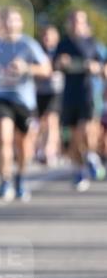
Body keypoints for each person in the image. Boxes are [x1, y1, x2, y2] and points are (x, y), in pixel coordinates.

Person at [0, 7, 51, 202]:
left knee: (23, 144)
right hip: (1, 97)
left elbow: (47, 69)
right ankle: (5, 180)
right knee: (3, 137)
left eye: (14, 20)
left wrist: (26, 68)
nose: (10, 24)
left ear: (20, 23)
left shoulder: (28, 44)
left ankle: (20, 178)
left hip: (24, 100)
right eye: (7, 20)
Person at [54, 10, 107, 190]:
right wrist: (60, 63)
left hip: (88, 93)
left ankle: (91, 156)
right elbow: (53, 66)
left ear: (85, 24)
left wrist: (96, 68)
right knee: (73, 136)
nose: (76, 25)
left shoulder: (93, 44)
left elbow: (104, 68)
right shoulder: (63, 44)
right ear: (69, 24)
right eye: (73, 21)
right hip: (69, 95)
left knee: (86, 131)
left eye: (80, 21)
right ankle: (79, 170)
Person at [34, 24, 63, 167]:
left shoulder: (61, 51)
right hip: (40, 91)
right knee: (42, 122)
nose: (47, 38)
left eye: (50, 35)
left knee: (52, 120)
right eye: (45, 35)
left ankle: (49, 152)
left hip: (56, 91)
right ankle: (43, 148)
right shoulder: (37, 51)